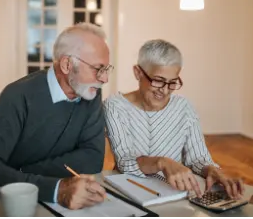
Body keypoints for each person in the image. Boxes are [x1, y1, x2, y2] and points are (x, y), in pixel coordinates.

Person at [0, 23, 112, 211]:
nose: (105, 78)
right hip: (11, 204)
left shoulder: (90, 93)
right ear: (67, 65)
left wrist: (21, 174)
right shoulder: (17, 96)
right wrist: (55, 188)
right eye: (98, 68)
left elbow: (92, 158)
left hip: (57, 203)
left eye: (107, 69)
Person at [103, 40, 245, 200]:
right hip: (130, 192)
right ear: (138, 72)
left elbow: (198, 158)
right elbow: (124, 161)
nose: (164, 90)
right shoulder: (115, 106)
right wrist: (162, 162)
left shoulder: (184, 107)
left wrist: (212, 171)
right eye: (158, 81)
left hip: (175, 193)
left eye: (172, 83)